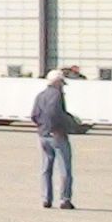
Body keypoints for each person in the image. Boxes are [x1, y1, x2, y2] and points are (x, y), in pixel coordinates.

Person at [33, 68, 78, 209]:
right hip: (57, 135)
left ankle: (46, 198)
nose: (63, 86)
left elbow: (34, 115)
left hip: (43, 135)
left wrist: (43, 128)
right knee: (65, 168)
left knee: (46, 168)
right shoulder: (57, 95)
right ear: (57, 82)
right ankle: (65, 199)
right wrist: (61, 126)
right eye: (62, 83)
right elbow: (55, 113)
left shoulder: (40, 95)